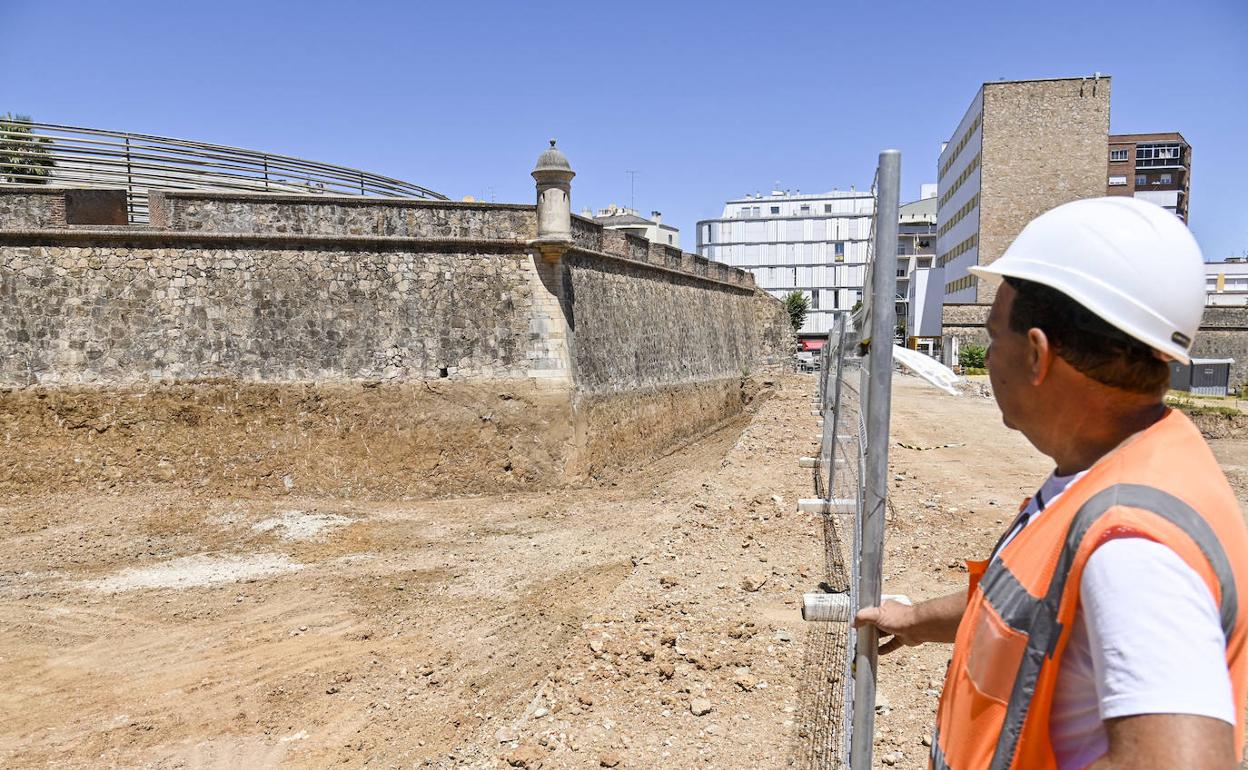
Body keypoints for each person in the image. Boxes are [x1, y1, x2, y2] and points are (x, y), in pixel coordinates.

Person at [854, 197, 1248, 770]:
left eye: (993, 337)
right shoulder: (1126, 465)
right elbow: (1030, 611)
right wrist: (914, 621)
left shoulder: (1132, 543)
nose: (988, 359)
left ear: (1037, 354)